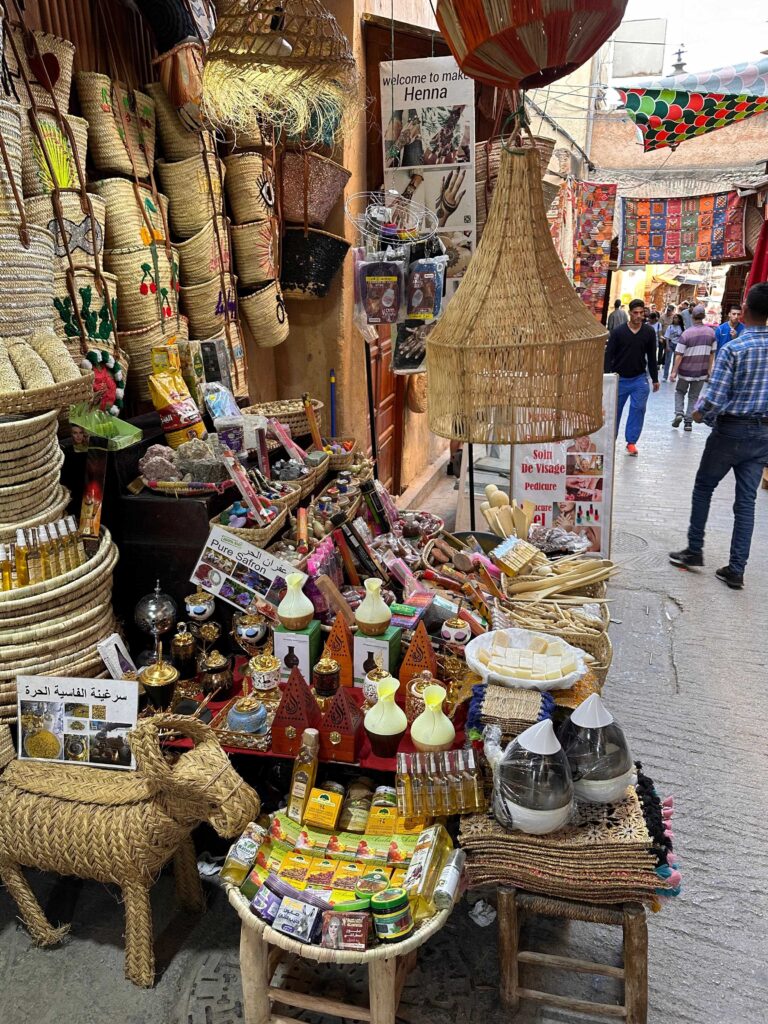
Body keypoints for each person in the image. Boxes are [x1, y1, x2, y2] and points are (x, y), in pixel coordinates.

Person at [669, 283, 768, 590]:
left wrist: (700, 415)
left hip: (731, 431)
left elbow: (713, 398)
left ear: (745, 310)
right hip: (762, 434)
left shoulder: (735, 349)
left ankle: (694, 549)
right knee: (746, 502)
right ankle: (736, 569)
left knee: (704, 487)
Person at [604, 298, 660, 456]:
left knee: (638, 409)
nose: (639, 316)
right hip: (619, 378)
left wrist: (655, 379)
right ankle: (611, 441)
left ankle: (631, 442)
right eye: (635, 313)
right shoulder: (618, 332)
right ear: (630, 313)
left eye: (641, 313)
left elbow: (652, 356)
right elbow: (609, 355)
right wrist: (607, 376)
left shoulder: (649, 332)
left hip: (639, 378)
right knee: (614, 412)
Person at [669, 304, 716, 431]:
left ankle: (679, 413)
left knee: (680, 391)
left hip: (685, 371)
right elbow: (712, 354)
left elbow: (679, 355)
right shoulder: (711, 333)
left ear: (692, 317)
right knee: (694, 396)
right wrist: (709, 370)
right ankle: (688, 422)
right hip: (701, 371)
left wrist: (673, 372)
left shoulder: (687, 333)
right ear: (704, 317)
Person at [662, 314, 684, 381]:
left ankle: (673, 376)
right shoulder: (670, 327)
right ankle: (665, 376)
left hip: (678, 346)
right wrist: (667, 346)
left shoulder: (682, 328)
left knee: (676, 362)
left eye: (676, 318)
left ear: (679, 319)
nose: (674, 319)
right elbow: (667, 337)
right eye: (674, 318)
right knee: (667, 361)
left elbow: (683, 338)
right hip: (670, 344)